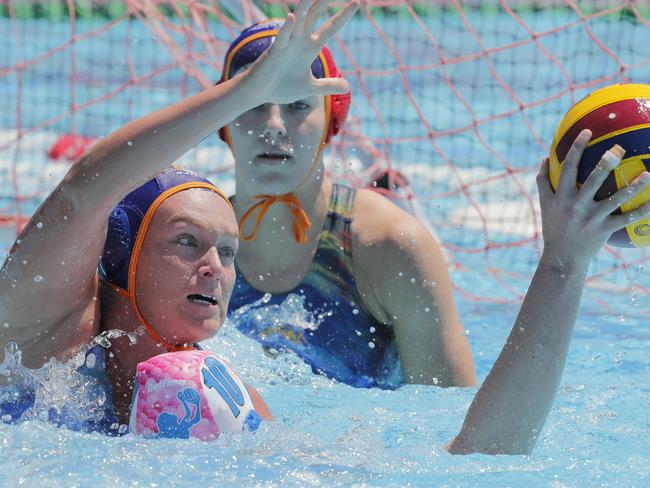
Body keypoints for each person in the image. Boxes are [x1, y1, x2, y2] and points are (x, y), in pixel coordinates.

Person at [0, 0, 360, 434]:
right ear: (123, 252)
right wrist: (246, 92)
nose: (215, 270)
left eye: (227, 252)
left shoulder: (218, 394)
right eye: (187, 241)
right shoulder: (46, 331)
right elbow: (83, 191)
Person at [219, 19, 476, 389]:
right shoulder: (194, 244)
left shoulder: (391, 246)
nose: (274, 124)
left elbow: (451, 419)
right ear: (221, 120)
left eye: (296, 104)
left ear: (331, 120)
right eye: (253, 102)